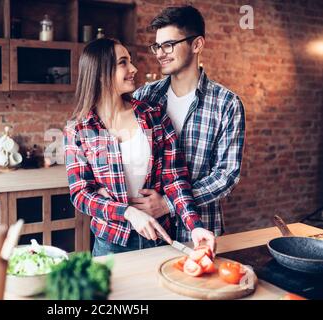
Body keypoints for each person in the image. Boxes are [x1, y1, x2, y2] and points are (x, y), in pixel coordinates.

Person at [64, 38, 215, 256]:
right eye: (123, 62)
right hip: (111, 242)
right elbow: (80, 194)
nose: (133, 69)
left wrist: (195, 225)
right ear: (100, 72)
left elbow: (175, 179)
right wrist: (128, 212)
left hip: (160, 236)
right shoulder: (78, 130)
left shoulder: (153, 115)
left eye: (130, 61)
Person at [131, 5, 246, 242]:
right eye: (157, 46)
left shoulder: (227, 103)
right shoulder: (145, 96)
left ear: (197, 45)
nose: (160, 53)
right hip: (147, 232)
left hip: (198, 230)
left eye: (168, 45)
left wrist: (168, 203)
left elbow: (226, 176)